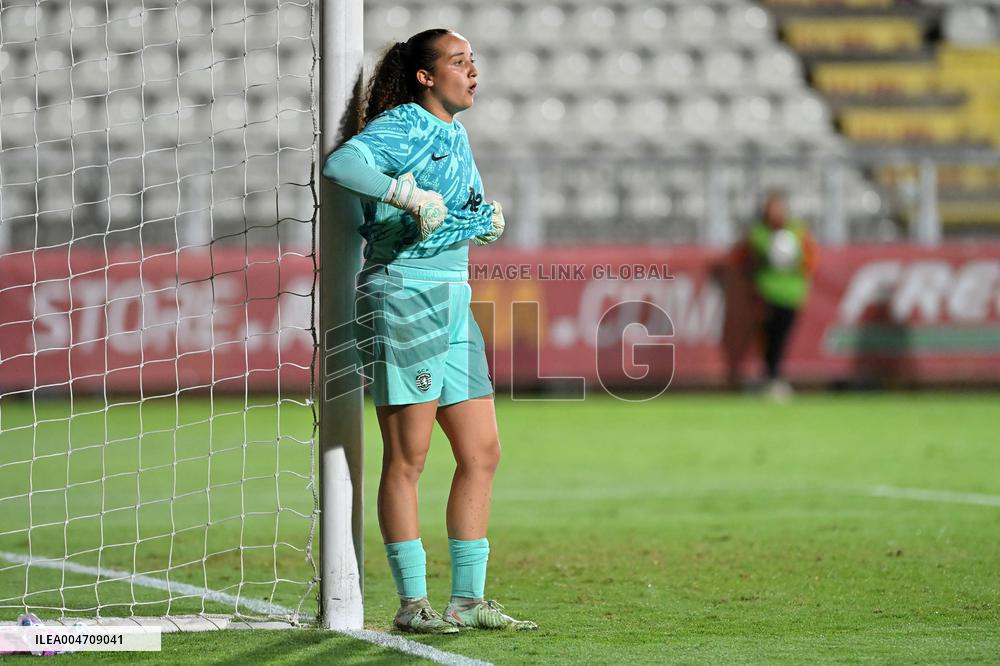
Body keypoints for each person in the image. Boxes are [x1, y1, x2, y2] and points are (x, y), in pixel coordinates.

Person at [321, 29, 537, 634]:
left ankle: (468, 600)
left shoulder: (456, 134)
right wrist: (405, 194)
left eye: (474, 62)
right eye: (459, 62)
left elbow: (447, 213)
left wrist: (480, 219)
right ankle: (412, 604)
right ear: (425, 76)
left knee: (482, 451)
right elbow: (342, 165)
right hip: (404, 294)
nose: (473, 72)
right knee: (408, 457)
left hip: (453, 297)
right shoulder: (405, 125)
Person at [742, 191, 817, 399]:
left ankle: (773, 377)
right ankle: (771, 377)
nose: (775, 212)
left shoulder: (797, 229)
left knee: (782, 337)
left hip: (791, 293)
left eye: (778, 207)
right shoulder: (759, 231)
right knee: (769, 336)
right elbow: (749, 257)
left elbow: (809, 258)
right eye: (771, 207)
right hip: (767, 292)